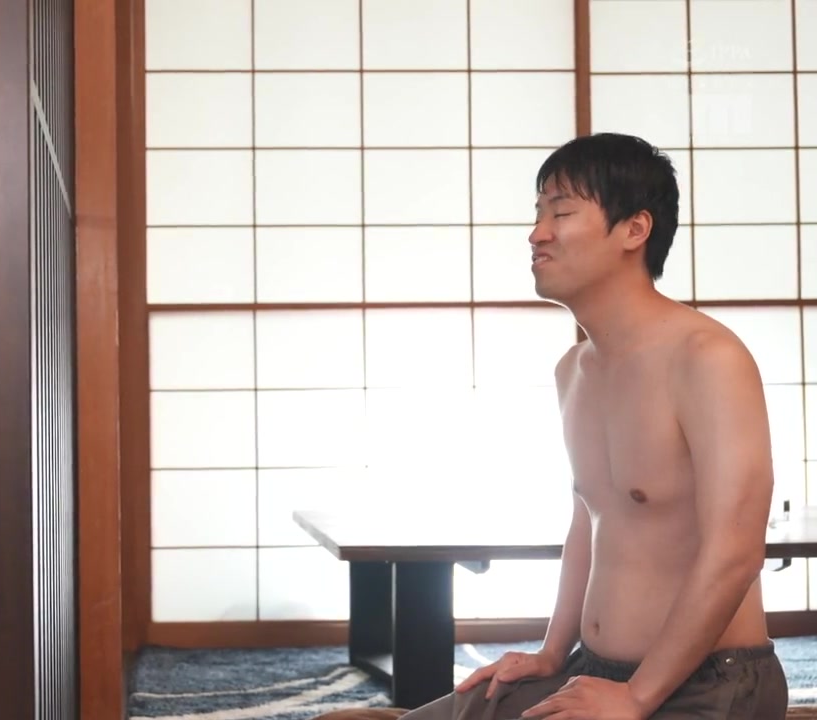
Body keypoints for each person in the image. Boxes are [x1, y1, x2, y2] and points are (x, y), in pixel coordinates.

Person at [315, 133, 788, 720]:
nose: (536, 234)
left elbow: (736, 552)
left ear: (634, 229)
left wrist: (637, 696)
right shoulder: (575, 370)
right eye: (538, 213)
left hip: (707, 687)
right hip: (592, 671)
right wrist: (550, 652)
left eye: (560, 213)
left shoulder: (708, 358)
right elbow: (589, 523)